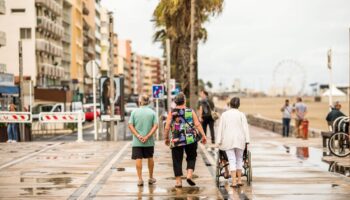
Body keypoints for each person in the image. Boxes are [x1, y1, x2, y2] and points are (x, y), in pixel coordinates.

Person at [164, 92, 207, 188]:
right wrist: (204, 136)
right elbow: (197, 124)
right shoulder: (190, 111)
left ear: (175, 102)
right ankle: (189, 175)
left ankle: (178, 182)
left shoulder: (172, 112)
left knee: (176, 160)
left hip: (176, 139)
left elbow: (167, 127)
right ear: (184, 101)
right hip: (190, 138)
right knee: (191, 157)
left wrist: (166, 138)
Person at [216, 97, 250, 188]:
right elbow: (245, 128)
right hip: (240, 140)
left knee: (231, 160)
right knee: (239, 159)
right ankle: (239, 180)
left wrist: (218, 141)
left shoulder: (224, 115)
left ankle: (234, 182)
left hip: (228, 140)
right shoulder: (241, 115)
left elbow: (221, 128)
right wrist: (247, 141)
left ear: (230, 104)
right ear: (238, 105)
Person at [128, 95, 158, 187]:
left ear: (140, 101)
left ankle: (140, 179)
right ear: (148, 102)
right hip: (149, 141)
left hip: (137, 141)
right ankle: (151, 177)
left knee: (138, 158)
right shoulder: (152, 112)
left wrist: (138, 135)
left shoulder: (134, 112)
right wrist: (148, 136)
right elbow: (155, 126)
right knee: (150, 157)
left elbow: (130, 125)